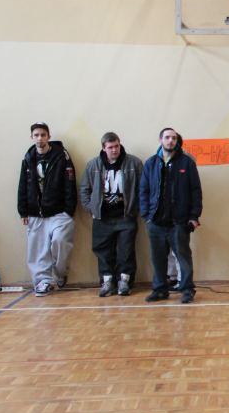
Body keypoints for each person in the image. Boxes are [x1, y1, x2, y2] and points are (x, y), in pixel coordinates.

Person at [139, 127, 202, 304]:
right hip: (155, 222)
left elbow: (196, 191)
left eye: (173, 138)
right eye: (167, 137)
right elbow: (143, 190)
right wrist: (146, 215)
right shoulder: (151, 163)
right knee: (158, 259)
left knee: (183, 257)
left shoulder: (186, 163)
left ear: (177, 141)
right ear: (160, 140)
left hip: (179, 222)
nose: (170, 141)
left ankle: (187, 290)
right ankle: (160, 289)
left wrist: (194, 216)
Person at [79, 132, 144, 297]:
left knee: (126, 250)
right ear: (103, 148)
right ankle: (107, 281)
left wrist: (136, 209)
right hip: (102, 217)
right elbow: (84, 189)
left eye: (117, 146)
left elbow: (143, 189)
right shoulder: (93, 165)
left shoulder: (134, 163)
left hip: (126, 216)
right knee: (103, 251)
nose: (114, 150)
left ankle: (125, 281)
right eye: (110, 147)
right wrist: (92, 209)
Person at [17, 122, 77, 296]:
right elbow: (23, 185)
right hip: (36, 213)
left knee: (60, 242)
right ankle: (43, 282)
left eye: (43, 135)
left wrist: (69, 210)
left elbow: (70, 183)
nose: (40, 138)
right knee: (38, 251)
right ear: (31, 137)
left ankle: (60, 274)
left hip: (59, 212)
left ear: (48, 137)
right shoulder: (28, 158)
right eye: (36, 135)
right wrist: (23, 210)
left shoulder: (61, 156)